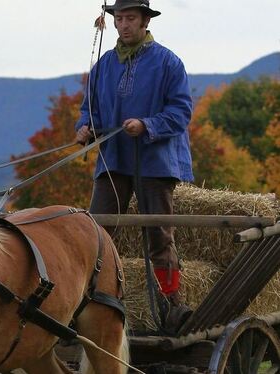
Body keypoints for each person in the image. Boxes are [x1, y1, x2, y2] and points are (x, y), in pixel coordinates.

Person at [74, 0, 194, 334]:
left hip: (156, 162)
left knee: (159, 235)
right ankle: (86, 302)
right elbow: (89, 109)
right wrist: (85, 128)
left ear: (144, 22)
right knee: (95, 231)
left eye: (130, 19)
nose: (124, 24)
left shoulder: (168, 63)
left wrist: (147, 124)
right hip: (113, 160)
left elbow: (182, 112)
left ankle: (174, 305)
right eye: (120, 18)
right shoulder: (104, 66)